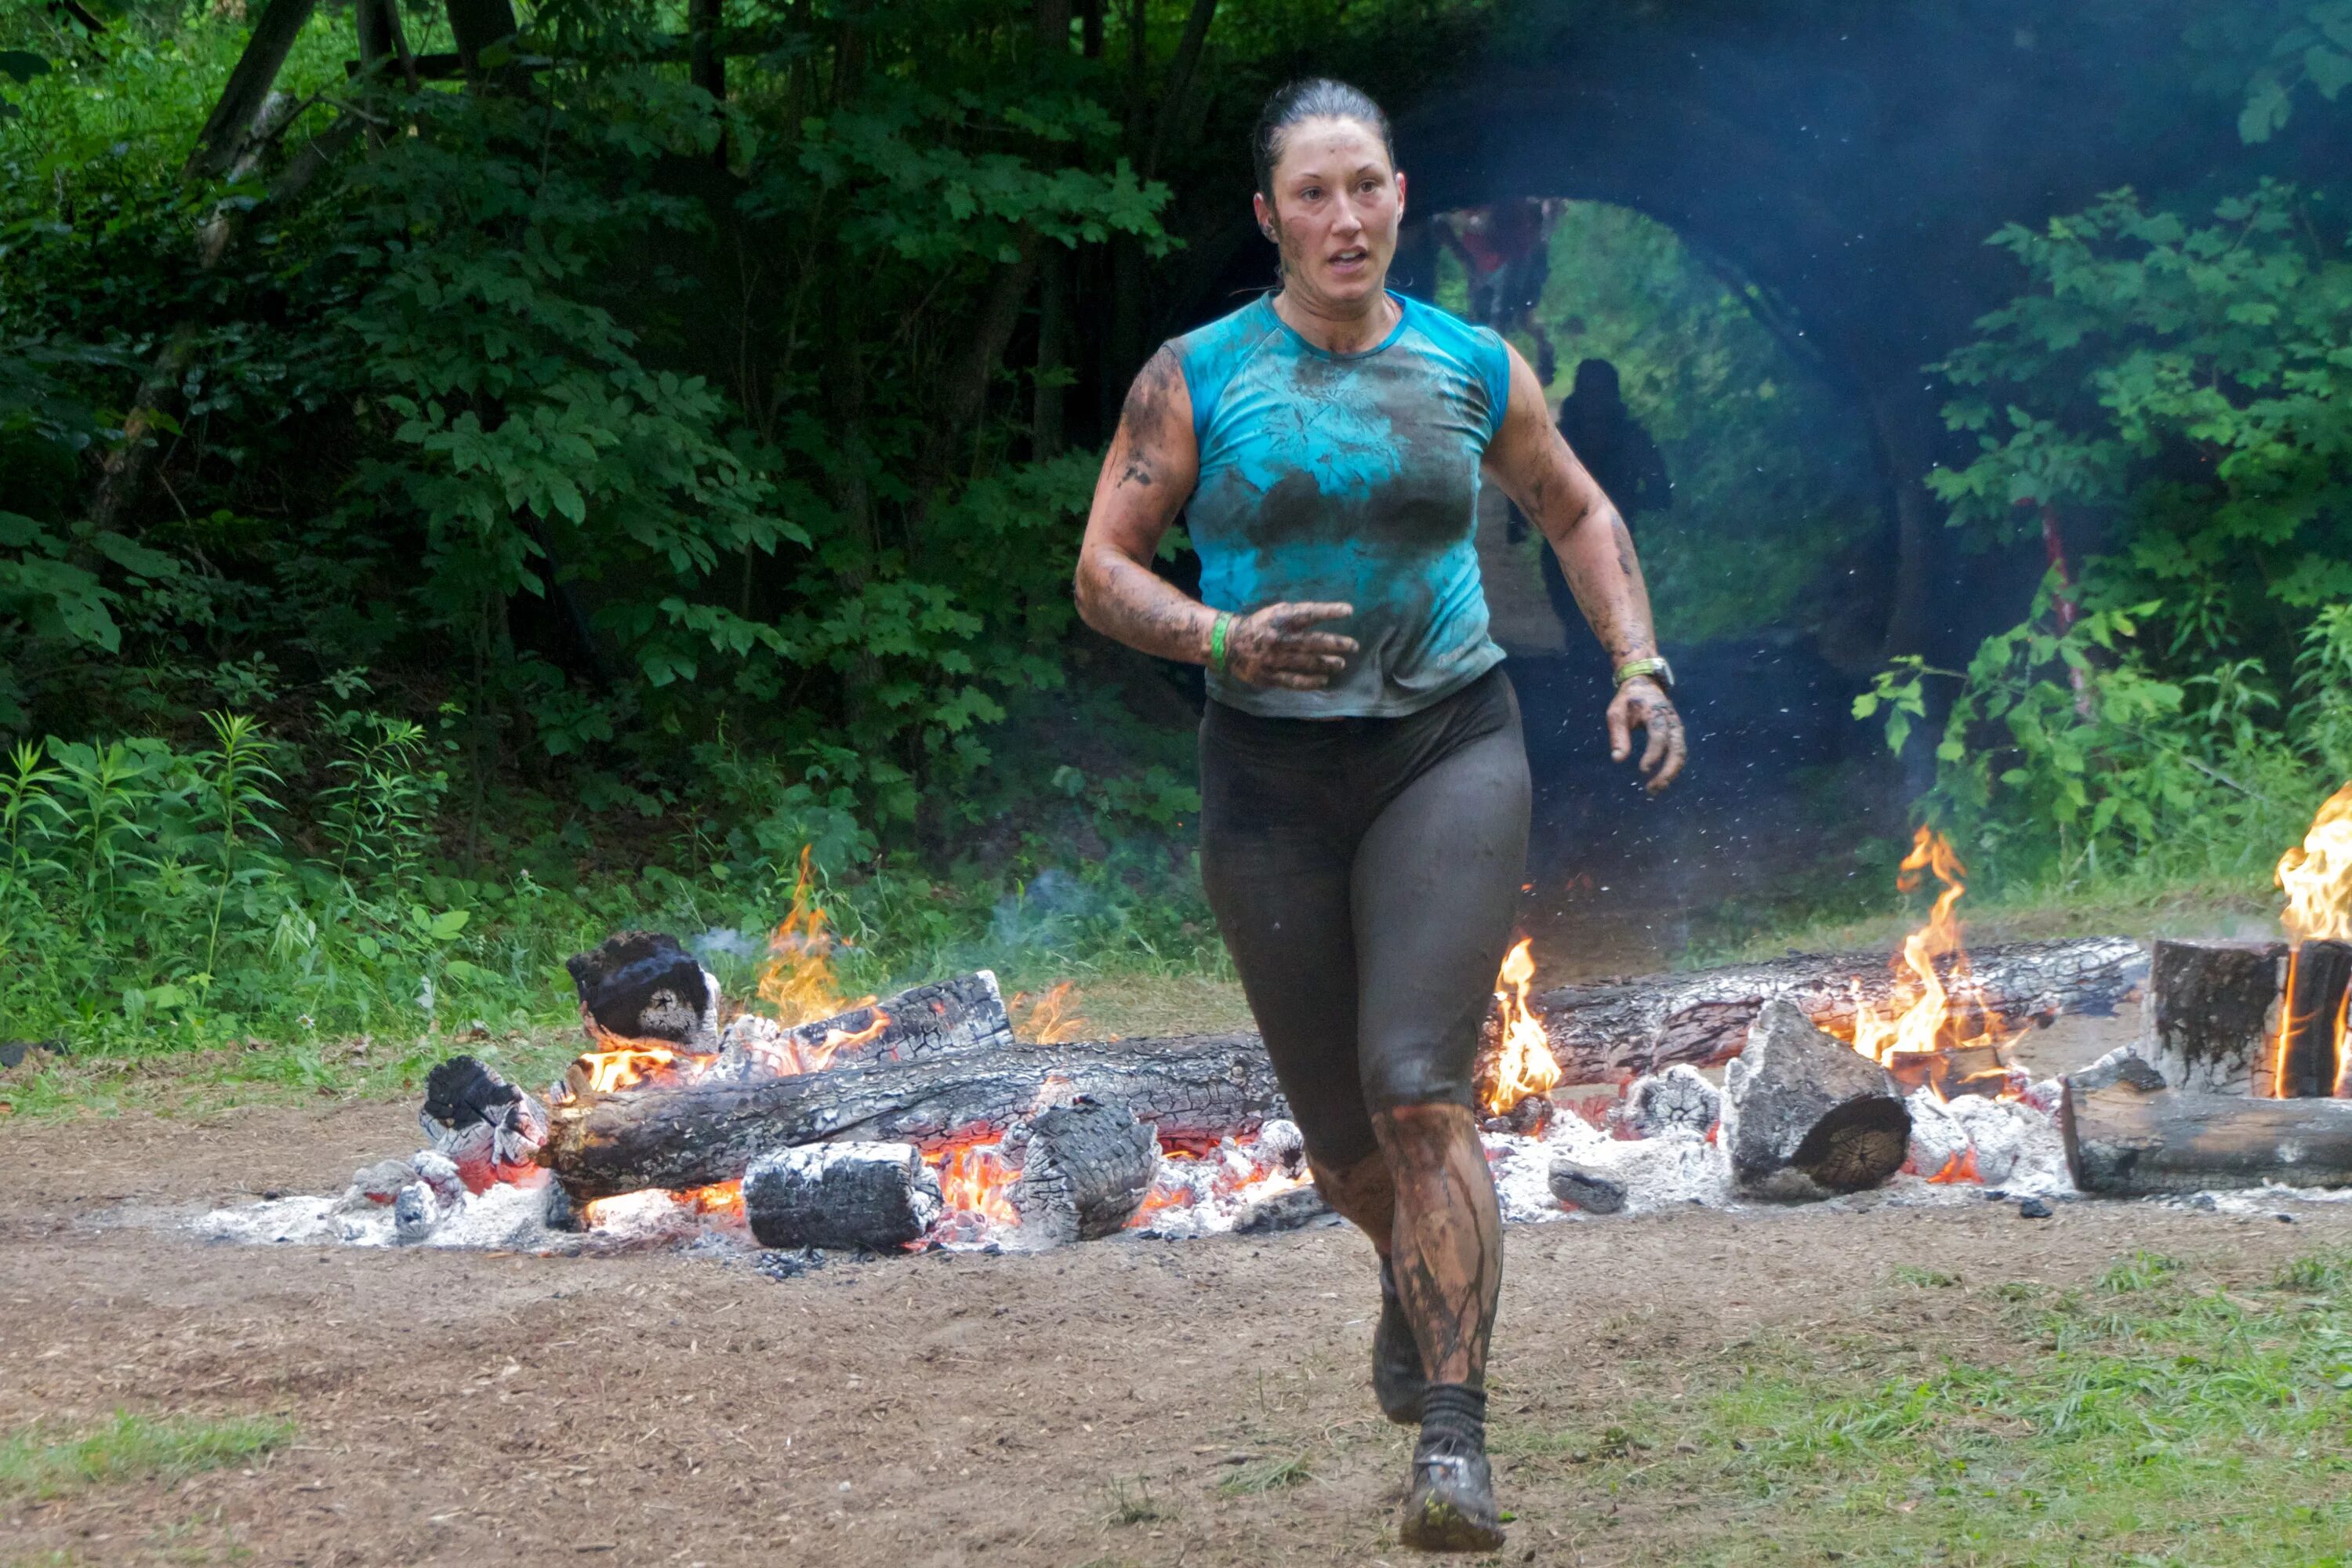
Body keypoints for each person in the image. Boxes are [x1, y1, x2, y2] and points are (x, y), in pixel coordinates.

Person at [1072, 78, 1685, 1552]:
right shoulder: (1196, 375)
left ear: (1402, 196)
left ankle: (1457, 1444)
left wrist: (1637, 663)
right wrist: (1217, 641)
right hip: (1269, 780)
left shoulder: (1474, 363)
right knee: (1346, 1150)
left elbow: (1579, 510)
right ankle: (1414, 1279)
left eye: (1366, 187)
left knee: (1421, 1092)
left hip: (1445, 747)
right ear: (1270, 217)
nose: (1344, 218)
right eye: (1312, 194)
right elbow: (1103, 568)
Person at [1542, 358, 1670, 644]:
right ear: (1579, 395)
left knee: (1617, 630)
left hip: (1617, 547)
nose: (1595, 402)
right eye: (1590, 393)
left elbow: (1661, 494)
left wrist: (1625, 503)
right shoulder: (1559, 439)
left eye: (1601, 393)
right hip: (1561, 550)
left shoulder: (1633, 439)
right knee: (1577, 633)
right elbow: (1529, 479)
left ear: (1613, 397)